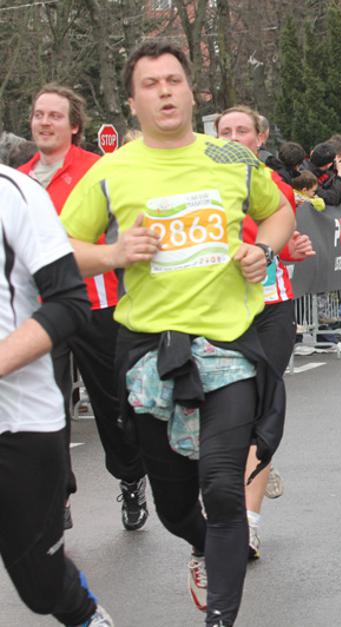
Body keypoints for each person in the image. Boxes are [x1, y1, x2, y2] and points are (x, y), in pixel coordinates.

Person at [60, 40, 295, 627]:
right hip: (150, 353)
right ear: (132, 102)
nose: (164, 91)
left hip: (230, 345)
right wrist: (114, 253)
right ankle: (200, 544)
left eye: (173, 80)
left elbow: (278, 212)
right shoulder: (111, 171)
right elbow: (61, 248)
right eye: (150, 84)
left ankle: (220, 617)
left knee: (222, 487)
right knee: (173, 504)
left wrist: (263, 250)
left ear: (192, 92)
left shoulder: (230, 157)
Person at [18, 83, 149, 532]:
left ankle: (130, 475)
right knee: (47, 407)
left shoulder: (98, 170)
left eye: (54, 115)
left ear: (74, 126)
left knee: (113, 406)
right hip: (41, 311)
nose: (44, 122)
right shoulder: (18, 179)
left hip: (97, 305)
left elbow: (123, 236)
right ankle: (56, 497)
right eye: (39, 114)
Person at [1, 163, 113, 626]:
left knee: (41, 587)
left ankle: (85, 615)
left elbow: (69, 303)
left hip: (19, 422)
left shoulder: (15, 193)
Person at [215, 105, 315, 561]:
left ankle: (249, 525)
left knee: (261, 410)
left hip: (271, 307)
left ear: (260, 138)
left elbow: (279, 240)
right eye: (225, 131)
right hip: (219, 310)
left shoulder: (275, 184)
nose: (234, 138)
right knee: (225, 413)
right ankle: (244, 475)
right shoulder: (200, 184)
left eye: (243, 131)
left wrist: (292, 249)